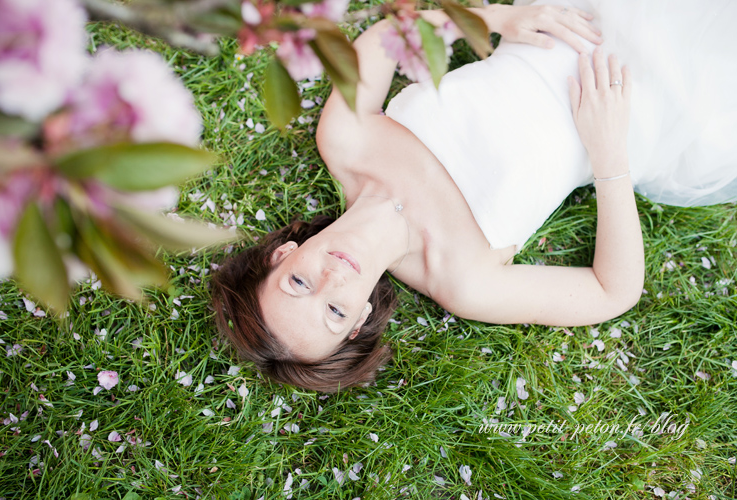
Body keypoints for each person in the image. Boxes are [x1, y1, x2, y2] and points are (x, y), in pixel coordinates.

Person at [212, 0, 737, 392]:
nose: (332, 277)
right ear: (355, 325)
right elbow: (611, 292)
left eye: (298, 281)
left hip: (574, 17)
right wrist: (608, 157)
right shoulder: (462, 281)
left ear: (282, 253)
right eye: (332, 310)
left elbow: (391, 34)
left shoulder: (346, 143)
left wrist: (491, 19)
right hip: (646, 100)